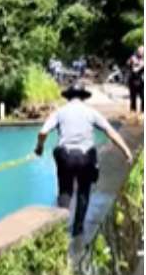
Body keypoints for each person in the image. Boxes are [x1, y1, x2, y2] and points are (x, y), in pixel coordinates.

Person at [34, 82, 133, 238]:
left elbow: (43, 132)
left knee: (65, 190)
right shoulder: (91, 112)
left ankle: (60, 227)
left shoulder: (60, 112)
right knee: (84, 190)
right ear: (83, 98)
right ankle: (78, 228)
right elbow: (110, 132)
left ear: (68, 97)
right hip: (85, 158)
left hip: (65, 157)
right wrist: (126, 151)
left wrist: (39, 148)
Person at [127, 46, 143, 113]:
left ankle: (143, 112)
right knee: (133, 98)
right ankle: (133, 112)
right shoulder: (133, 58)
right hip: (133, 80)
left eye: (143, 51)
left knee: (143, 97)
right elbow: (134, 70)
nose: (142, 53)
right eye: (140, 51)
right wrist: (141, 65)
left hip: (142, 81)